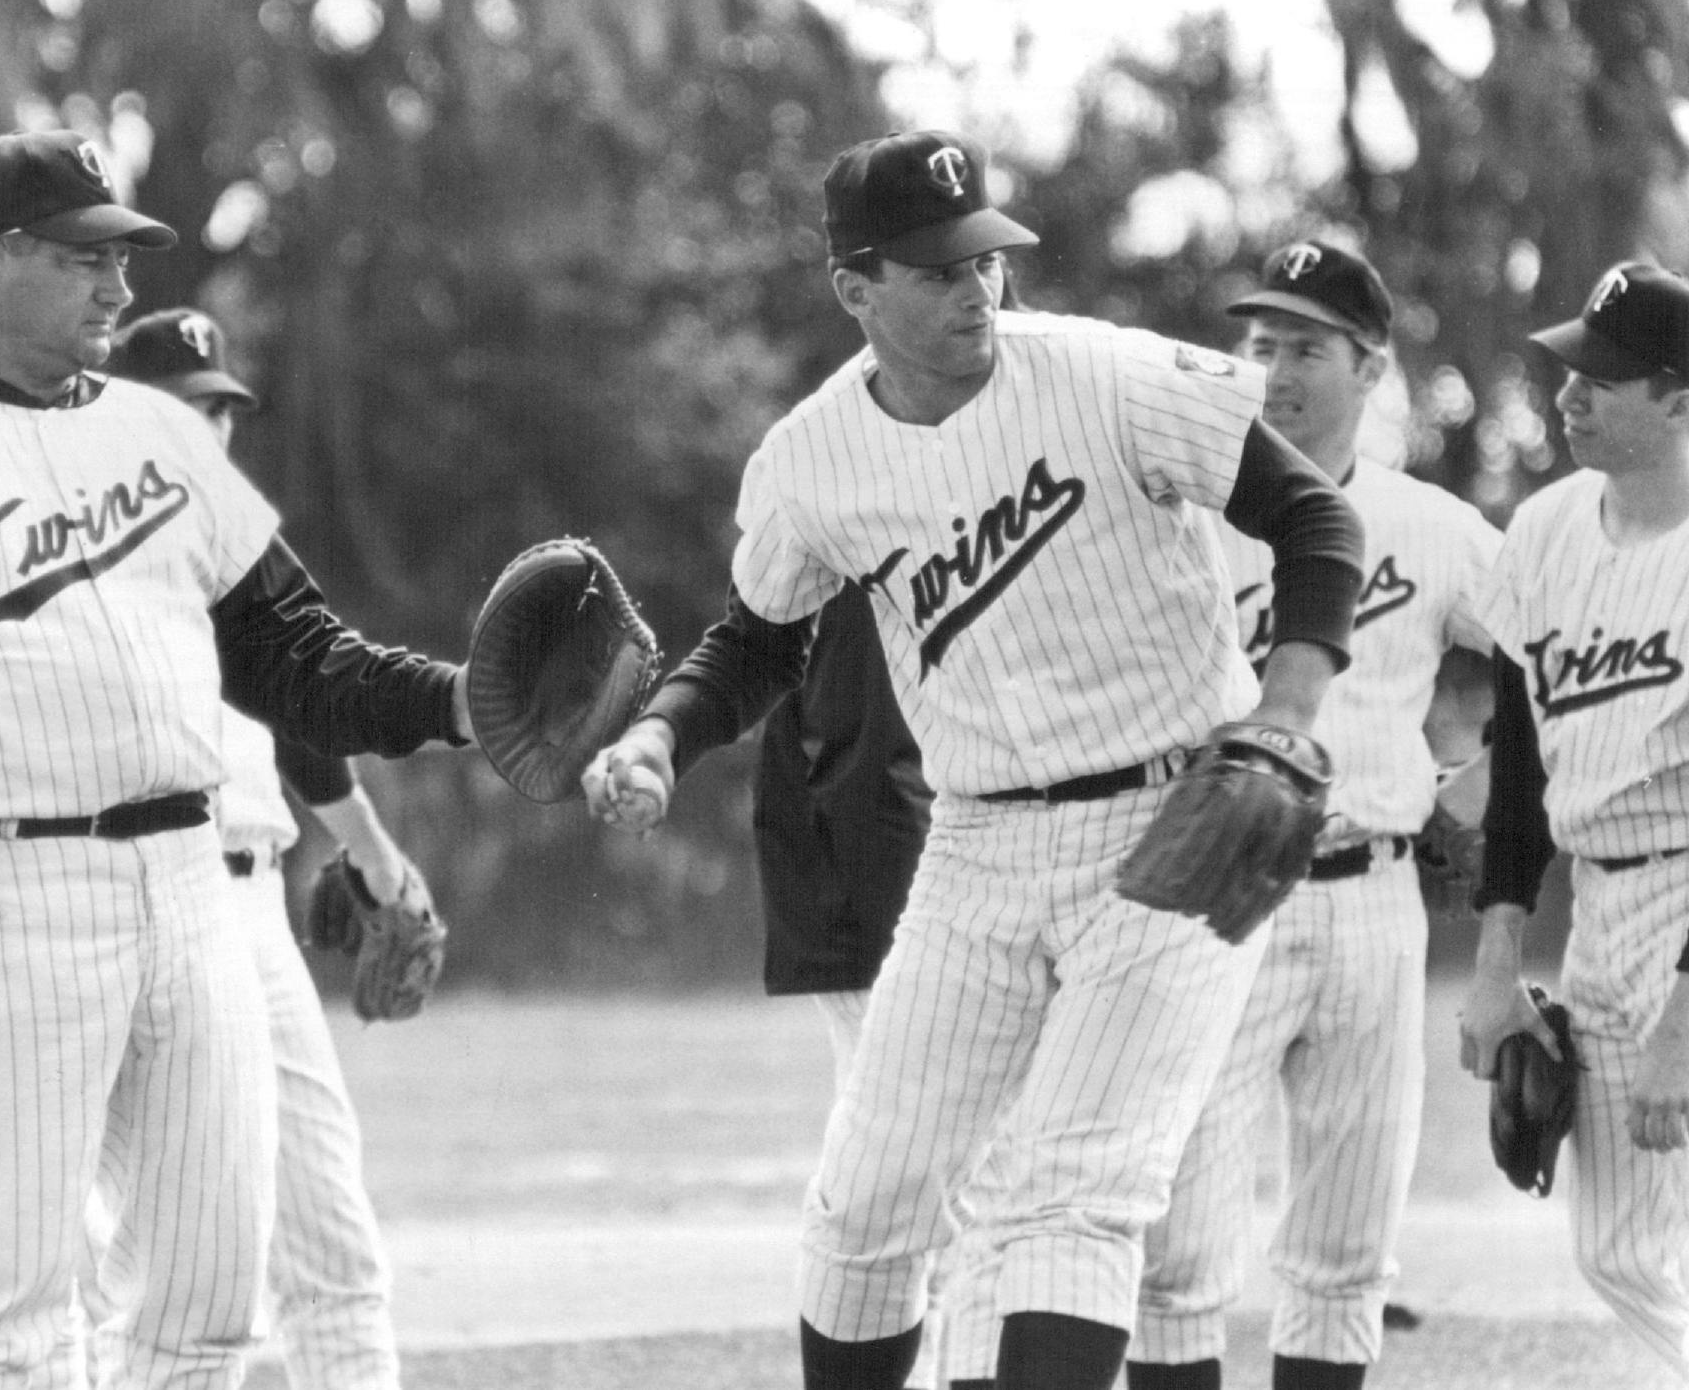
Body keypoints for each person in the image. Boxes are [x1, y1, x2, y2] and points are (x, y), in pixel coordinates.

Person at [583, 128, 1364, 1390]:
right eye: (938, 270)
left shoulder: (1106, 377)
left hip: (1171, 821)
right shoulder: (812, 461)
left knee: (1071, 1195)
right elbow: (758, 638)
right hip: (978, 841)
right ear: (856, 288)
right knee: (863, 1205)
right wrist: (661, 731)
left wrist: (1287, 715)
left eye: (985, 259)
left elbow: (1316, 518)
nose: (977, 288)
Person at [0, 129, 470, 1388]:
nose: (118, 284)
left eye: (122, 257)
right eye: (84, 258)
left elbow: (297, 651)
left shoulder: (161, 437)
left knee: (206, 1294)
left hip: (191, 892)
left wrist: (458, 700)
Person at [939, 241, 1501, 1390]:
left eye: (1306, 347)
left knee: (1346, 1250)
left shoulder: (1434, 525)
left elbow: (1555, 655)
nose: (1275, 369)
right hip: (1211, 894)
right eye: (1260, 343)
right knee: (1177, 1251)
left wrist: (1486, 773)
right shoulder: (1186, 511)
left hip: (1375, 894)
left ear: (1373, 366)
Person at [103, 305, 419, 1390]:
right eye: (184, 408)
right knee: (154, 1263)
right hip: (138, 897)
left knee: (332, 1239)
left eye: (221, 409)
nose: (210, 428)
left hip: (255, 904)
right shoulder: (88, 551)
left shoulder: (236, 546)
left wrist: (371, 850)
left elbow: (300, 716)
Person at [1458, 259, 1689, 1382]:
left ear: (1679, 399)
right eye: (1569, 371)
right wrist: (1497, 958)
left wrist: (1682, 1025)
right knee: (1617, 1251)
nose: (1567, 396)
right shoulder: (1544, 531)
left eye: (1601, 379)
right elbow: (1517, 772)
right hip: (1602, 907)